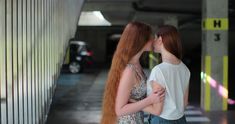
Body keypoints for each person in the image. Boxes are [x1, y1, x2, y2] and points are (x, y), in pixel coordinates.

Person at [101, 21, 165, 124]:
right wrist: (150, 100)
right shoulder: (129, 71)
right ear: (141, 40)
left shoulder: (137, 64)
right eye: (150, 38)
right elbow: (120, 110)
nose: (153, 40)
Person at [147, 25, 191, 124]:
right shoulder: (185, 69)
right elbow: (184, 104)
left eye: (155, 38)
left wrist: (134, 102)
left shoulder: (159, 70)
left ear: (160, 39)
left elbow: (156, 109)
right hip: (181, 119)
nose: (153, 42)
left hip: (162, 120)